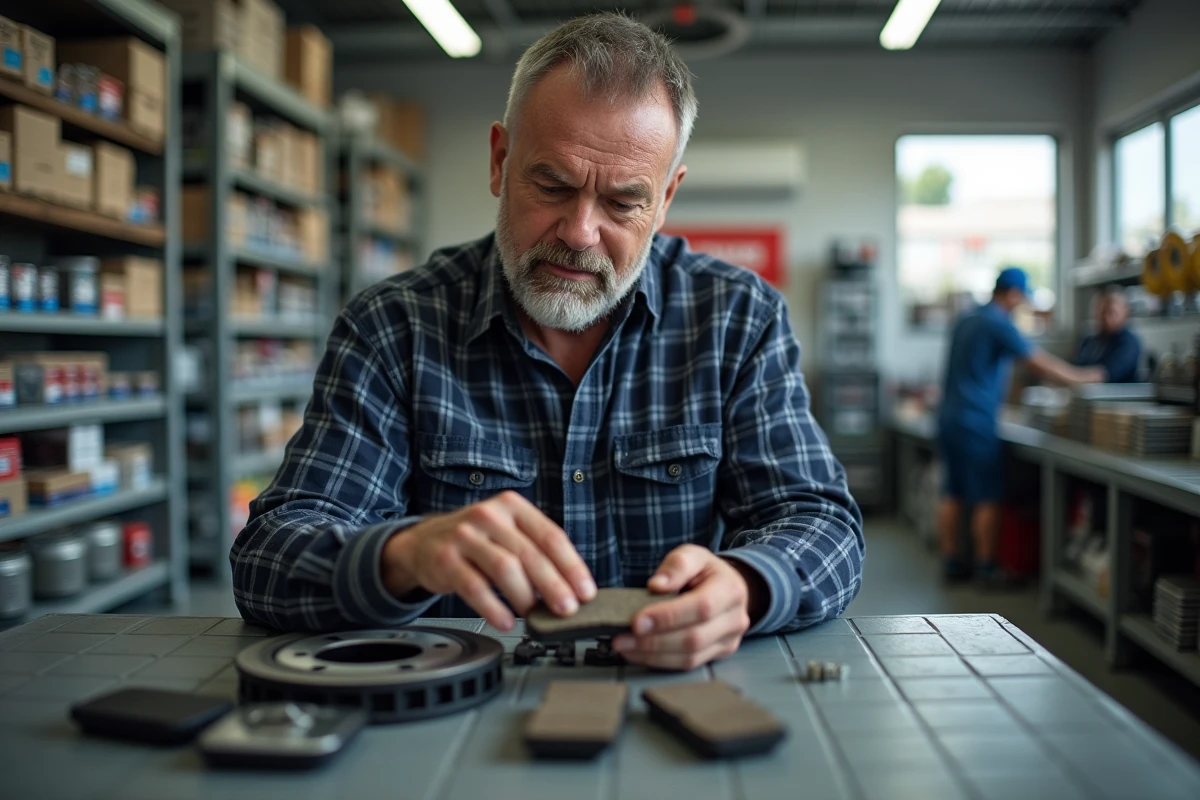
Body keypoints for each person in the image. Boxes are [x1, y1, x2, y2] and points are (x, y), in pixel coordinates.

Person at [231, 14, 864, 671]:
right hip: (453, 710)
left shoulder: (736, 319)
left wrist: (750, 587)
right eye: (553, 186)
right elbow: (268, 560)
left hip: (667, 702)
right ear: (501, 160)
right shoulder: (394, 327)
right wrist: (404, 556)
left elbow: (822, 523)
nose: (580, 232)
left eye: (623, 203)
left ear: (666, 198)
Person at [937, 268, 1099, 583]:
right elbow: (1039, 364)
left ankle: (952, 564)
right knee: (988, 496)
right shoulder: (998, 323)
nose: (1022, 303)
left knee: (952, 492)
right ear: (1013, 294)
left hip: (949, 416)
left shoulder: (967, 318)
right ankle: (986, 568)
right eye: (1022, 297)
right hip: (976, 420)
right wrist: (1084, 377)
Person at [1074, 286, 1142, 383]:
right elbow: (1077, 369)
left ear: (1126, 313)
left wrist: (1051, 367)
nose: (1105, 318)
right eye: (1101, 312)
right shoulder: (1089, 342)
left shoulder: (1128, 343)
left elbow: (1102, 376)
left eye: (1111, 312)